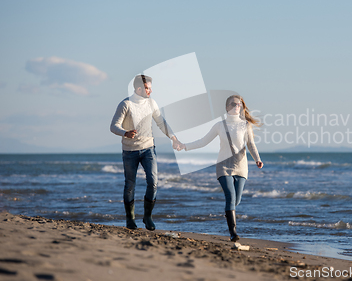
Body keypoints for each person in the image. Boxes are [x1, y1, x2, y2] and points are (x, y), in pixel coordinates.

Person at [181, 95, 263, 242]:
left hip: (241, 167)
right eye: (233, 104)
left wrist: (257, 159)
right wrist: (185, 146)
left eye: (239, 104)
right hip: (223, 166)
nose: (236, 106)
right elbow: (203, 141)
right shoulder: (219, 125)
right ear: (227, 107)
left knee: (235, 201)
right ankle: (233, 233)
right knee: (231, 198)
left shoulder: (245, 125)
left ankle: (228, 212)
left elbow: (251, 144)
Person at [110, 74, 184, 230]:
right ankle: (130, 219)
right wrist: (125, 132)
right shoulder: (126, 104)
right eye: (148, 88)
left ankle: (147, 217)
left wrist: (173, 138)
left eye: (150, 88)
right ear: (138, 89)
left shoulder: (151, 103)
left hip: (148, 149)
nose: (150, 91)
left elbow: (161, 122)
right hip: (129, 151)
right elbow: (113, 126)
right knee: (130, 185)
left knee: (153, 182)